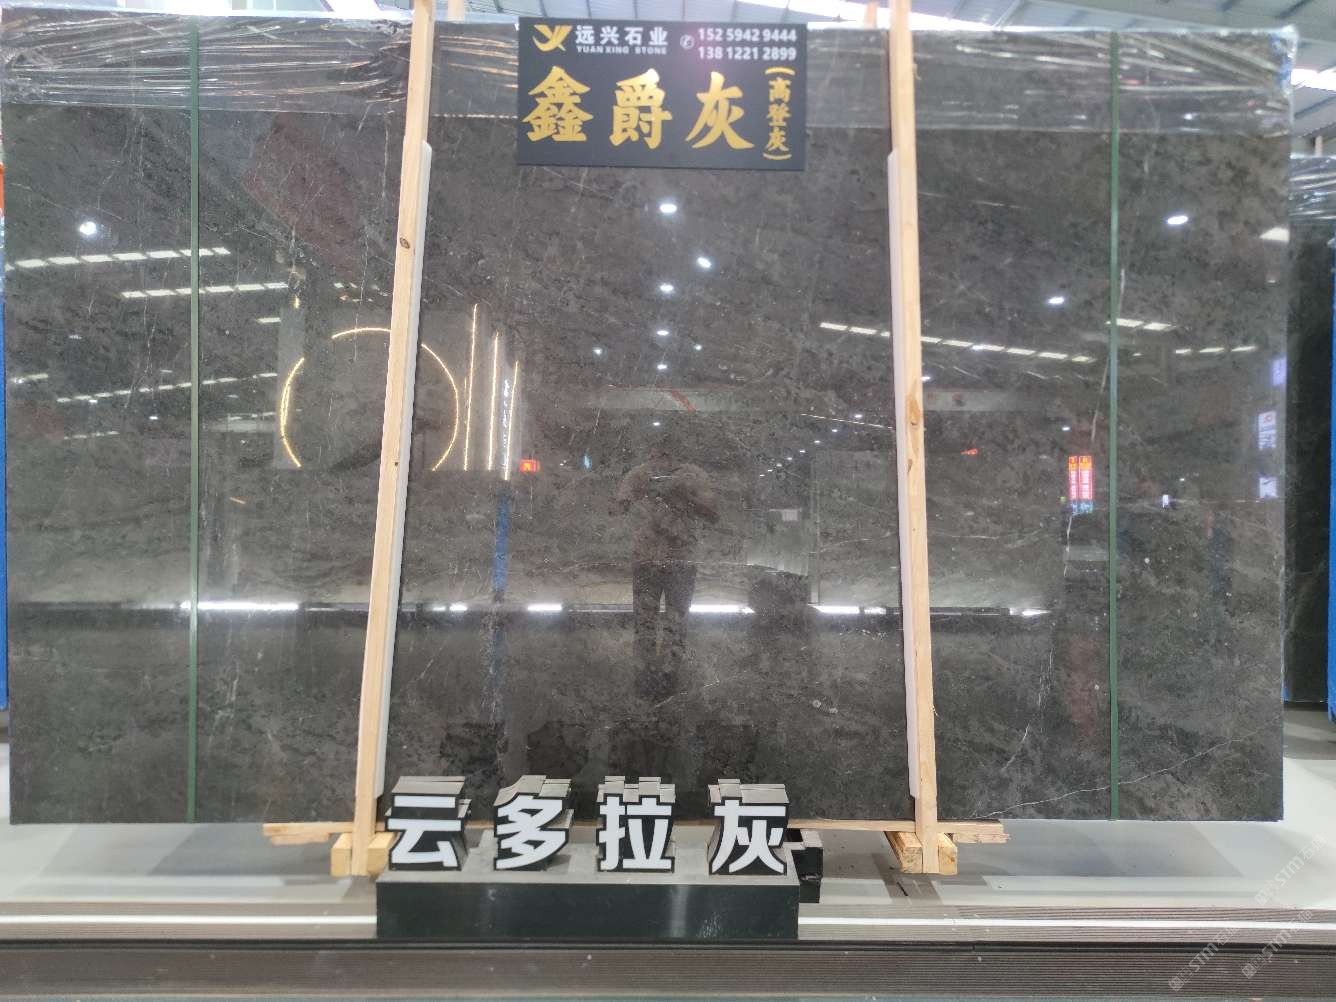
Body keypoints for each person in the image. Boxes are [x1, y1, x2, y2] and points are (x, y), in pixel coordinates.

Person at [617, 429, 719, 696]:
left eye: (670, 449)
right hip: (647, 558)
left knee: (676, 621)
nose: (665, 455)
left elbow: (712, 513)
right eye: (661, 450)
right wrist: (641, 493)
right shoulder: (639, 474)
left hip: (680, 558)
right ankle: (644, 676)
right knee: (645, 621)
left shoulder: (694, 475)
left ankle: (671, 676)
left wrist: (685, 494)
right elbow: (618, 507)